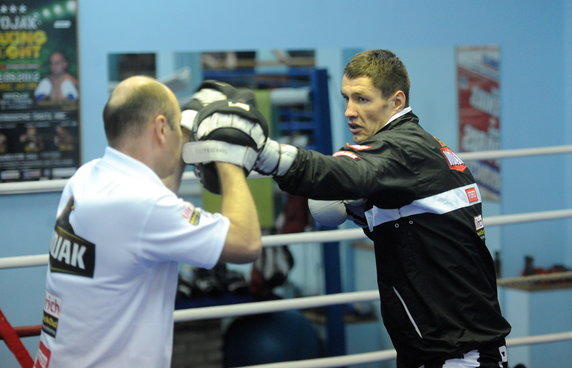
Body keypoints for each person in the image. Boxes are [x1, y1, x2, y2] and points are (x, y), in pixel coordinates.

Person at [195, 49, 512, 368]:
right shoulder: (421, 150)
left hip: (459, 356)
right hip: (441, 349)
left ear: (396, 102)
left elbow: (339, 171)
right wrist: (361, 211)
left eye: (362, 99)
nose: (349, 111)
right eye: (346, 98)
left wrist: (264, 154)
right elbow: (416, 231)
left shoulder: (401, 149)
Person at [33, 75, 262, 368]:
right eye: (175, 127)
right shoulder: (142, 205)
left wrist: (186, 129)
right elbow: (247, 243)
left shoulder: (86, 177)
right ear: (160, 127)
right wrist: (229, 151)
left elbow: (153, 208)